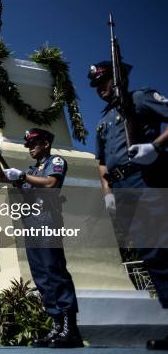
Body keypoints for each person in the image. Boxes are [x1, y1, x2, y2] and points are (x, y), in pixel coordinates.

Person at [88, 61, 168, 350]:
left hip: (147, 179)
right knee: (151, 255)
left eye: (105, 81)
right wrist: (108, 191)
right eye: (96, 85)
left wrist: (156, 146)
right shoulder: (104, 120)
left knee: (162, 247)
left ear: (119, 77)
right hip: (123, 189)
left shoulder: (140, 98)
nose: (100, 89)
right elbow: (100, 163)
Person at [0, 128, 82, 348]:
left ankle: (71, 329)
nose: (30, 148)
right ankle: (56, 326)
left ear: (46, 143)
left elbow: (52, 183)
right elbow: (0, 177)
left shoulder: (55, 161)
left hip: (48, 222)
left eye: (33, 143)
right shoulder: (32, 170)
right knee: (41, 277)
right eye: (29, 145)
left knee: (55, 272)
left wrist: (22, 176)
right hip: (31, 227)